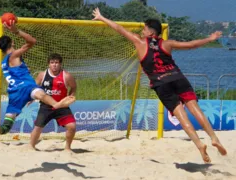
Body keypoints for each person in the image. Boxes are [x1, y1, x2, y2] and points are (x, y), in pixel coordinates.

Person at [92, 8, 227, 163]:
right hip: (177, 78)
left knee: (181, 116)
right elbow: (190, 45)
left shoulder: (139, 42)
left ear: (151, 33)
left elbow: (119, 29)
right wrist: (210, 39)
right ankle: (214, 138)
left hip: (161, 83)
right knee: (195, 109)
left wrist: (102, 17)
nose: (142, 32)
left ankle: (199, 144)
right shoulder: (167, 44)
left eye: (144, 29)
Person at [0, 21, 75, 149]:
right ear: (12, 43)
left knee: (5, 127)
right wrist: (16, 30)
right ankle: (56, 104)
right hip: (25, 87)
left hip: (14, 94)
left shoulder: (3, 62)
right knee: (41, 93)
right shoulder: (14, 55)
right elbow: (32, 41)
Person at [29, 53, 76, 152]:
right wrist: (31, 98)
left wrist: (71, 96)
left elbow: (74, 86)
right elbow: (34, 88)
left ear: (60, 64)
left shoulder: (67, 75)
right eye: (52, 62)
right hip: (46, 106)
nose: (54, 65)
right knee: (38, 128)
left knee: (72, 126)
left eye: (56, 62)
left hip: (62, 106)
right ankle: (31, 147)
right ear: (48, 64)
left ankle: (67, 148)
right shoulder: (42, 75)